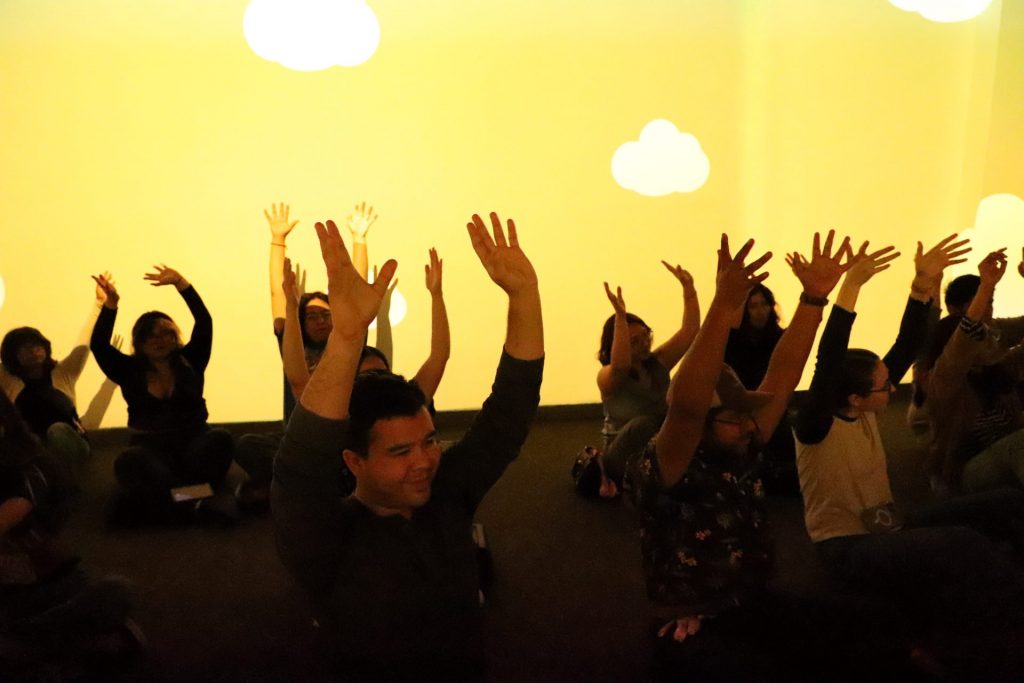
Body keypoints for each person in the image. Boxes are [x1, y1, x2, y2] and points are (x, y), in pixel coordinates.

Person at [626, 232, 917, 682]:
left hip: (750, 601)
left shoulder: (742, 439)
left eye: (747, 417)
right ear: (702, 424)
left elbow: (782, 375)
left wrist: (813, 299)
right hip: (692, 618)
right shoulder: (672, 459)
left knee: (877, 625)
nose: (748, 426)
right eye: (733, 419)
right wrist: (723, 306)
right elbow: (687, 402)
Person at [273, 212, 542, 681]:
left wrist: (525, 297)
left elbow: (508, 414)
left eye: (429, 442)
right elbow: (300, 468)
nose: (424, 462)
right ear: (353, 461)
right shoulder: (323, 536)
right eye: (400, 453)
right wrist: (346, 339)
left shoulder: (447, 494)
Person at [792, 237, 1024, 678]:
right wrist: (849, 288)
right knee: (964, 543)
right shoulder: (816, 427)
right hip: (848, 548)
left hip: (887, 526)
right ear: (856, 397)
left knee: (1007, 503)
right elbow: (827, 362)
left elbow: (907, 343)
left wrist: (922, 287)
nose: (893, 388)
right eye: (884, 386)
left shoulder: (863, 407)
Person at [234, 203, 396, 507]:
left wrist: (359, 239)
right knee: (246, 444)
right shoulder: (293, 345)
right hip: (298, 440)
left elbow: (356, 292)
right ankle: (297, 484)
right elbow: (278, 294)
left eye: (326, 314)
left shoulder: (347, 348)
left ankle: (285, 487)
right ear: (301, 322)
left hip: (340, 442)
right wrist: (277, 241)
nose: (321, 320)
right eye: (312, 316)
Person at [0, 391, 140, 676]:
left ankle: (31, 645)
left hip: (39, 583)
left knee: (113, 592)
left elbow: (20, 506)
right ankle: (46, 648)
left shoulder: (28, 466)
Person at [90, 266, 234, 524]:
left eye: (165, 334)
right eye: (149, 336)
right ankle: (194, 498)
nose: (158, 341)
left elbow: (204, 322)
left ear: (175, 337)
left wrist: (182, 284)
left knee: (220, 439)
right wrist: (111, 304)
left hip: (194, 441)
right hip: (151, 447)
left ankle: (165, 504)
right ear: (139, 342)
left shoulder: (192, 359)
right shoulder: (128, 369)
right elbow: (99, 345)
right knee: (129, 461)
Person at [585, 263, 699, 496]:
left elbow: (689, 331)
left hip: (662, 444)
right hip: (623, 454)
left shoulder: (657, 362)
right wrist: (620, 318)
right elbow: (621, 365)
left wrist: (689, 289)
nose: (645, 343)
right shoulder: (607, 376)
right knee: (644, 424)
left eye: (646, 336)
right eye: (634, 341)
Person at [925, 248, 1024, 494]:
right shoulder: (945, 381)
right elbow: (964, 338)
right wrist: (986, 286)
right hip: (965, 473)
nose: (990, 341)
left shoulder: (994, 368)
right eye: (982, 338)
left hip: (1003, 460)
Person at [0, 278, 114, 483]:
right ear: (12, 355)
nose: (34, 350)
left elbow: (84, 342)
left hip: (69, 445)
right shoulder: (7, 379)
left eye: (37, 345)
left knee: (57, 431)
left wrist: (99, 304)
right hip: (31, 450)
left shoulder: (63, 372)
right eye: (25, 347)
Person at [724, 284, 798, 494]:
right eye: (753, 306)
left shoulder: (781, 337)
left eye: (764, 304)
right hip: (742, 404)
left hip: (772, 402)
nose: (760, 311)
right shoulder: (733, 340)